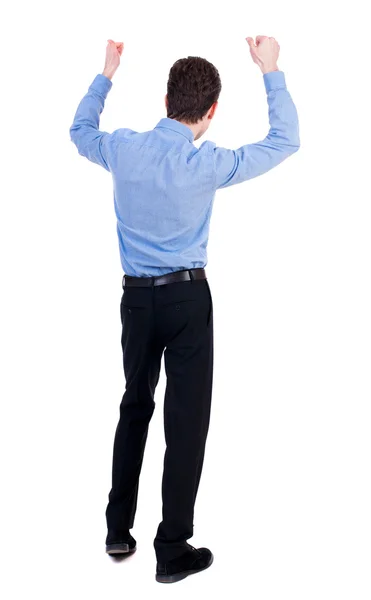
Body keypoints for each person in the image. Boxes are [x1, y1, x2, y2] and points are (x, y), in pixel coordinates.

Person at [69, 35, 300, 584]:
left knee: (134, 405)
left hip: (136, 301)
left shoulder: (123, 147)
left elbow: (79, 132)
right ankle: (172, 548)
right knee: (186, 425)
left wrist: (105, 74)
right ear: (211, 111)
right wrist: (271, 70)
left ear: (166, 99)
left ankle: (117, 530)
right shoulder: (211, 163)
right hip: (188, 298)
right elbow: (286, 139)